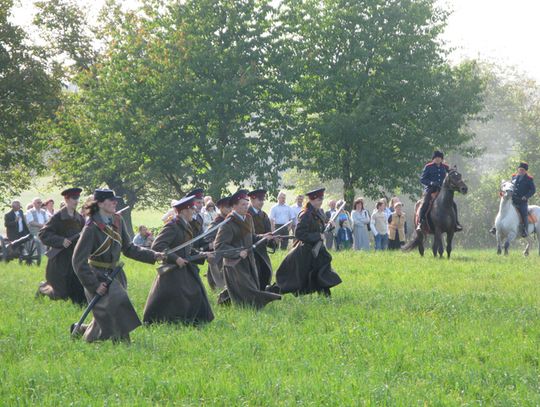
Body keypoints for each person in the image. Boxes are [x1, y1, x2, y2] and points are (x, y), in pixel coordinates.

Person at [72, 189, 164, 343]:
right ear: (100, 203)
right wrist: (94, 285)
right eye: (111, 200)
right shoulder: (91, 228)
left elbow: (129, 248)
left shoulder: (117, 221)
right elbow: (78, 261)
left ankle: (82, 331)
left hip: (115, 274)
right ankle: (122, 342)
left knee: (105, 314)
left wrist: (153, 254)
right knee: (117, 302)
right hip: (97, 275)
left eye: (115, 200)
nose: (115, 202)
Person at [143, 196, 214, 325]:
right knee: (176, 298)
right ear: (183, 211)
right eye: (191, 209)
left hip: (185, 268)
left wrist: (203, 254)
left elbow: (189, 249)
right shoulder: (172, 226)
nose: (194, 211)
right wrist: (175, 258)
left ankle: (194, 321)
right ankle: (171, 322)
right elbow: (158, 246)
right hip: (172, 270)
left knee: (197, 292)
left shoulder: (186, 226)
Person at [214, 190, 282, 308]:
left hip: (249, 260)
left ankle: (228, 303)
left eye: (246, 204)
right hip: (234, 263)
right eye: (242, 204)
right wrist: (238, 252)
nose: (246, 207)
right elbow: (219, 246)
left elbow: (252, 237)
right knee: (247, 290)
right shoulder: (227, 223)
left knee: (247, 288)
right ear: (234, 206)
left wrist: (264, 237)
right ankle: (264, 300)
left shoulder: (248, 218)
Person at [270, 188, 342, 297]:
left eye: (321, 199)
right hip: (306, 252)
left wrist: (330, 226)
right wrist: (317, 236)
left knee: (321, 272)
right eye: (318, 200)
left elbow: (322, 228)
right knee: (295, 281)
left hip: (318, 250)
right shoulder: (305, 215)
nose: (321, 202)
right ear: (312, 200)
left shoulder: (320, 212)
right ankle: (271, 292)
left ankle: (325, 297)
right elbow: (299, 234)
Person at [37, 188, 86, 305]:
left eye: (78, 198)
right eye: (74, 198)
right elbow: (43, 234)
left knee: (80, 296)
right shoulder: (57, 217)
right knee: (60, 293)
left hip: (74, 258)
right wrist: (61, 241)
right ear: (67, 199)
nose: (76, 201)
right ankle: (42, 290)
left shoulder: (80, 218)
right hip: (60, 259)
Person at [417, 150, 462, 232]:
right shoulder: (428, 167)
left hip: (443, 190)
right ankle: (420, 222)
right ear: (433, 159)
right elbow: (422, 179)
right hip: (431, 190)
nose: (438, 159)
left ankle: (456, 223)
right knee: (425, 203)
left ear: (441, 159)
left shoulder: (445, 167)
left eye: (439, 158)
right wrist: (431, 183)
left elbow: (451, 175)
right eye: (436, 158)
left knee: (454, 204)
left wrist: (454, 171)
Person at [248, 189, 275, 290]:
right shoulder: (246, 214)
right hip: (250, 250)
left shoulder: (264, 215)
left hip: (262, 250)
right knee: (255, 274)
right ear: (252, 200)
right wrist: (264, 236)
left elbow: (268, 231)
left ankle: (263, 293)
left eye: (263, 200)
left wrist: (273, 240)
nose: (262, 202)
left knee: (266, 272)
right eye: (260, 200)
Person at [204, 196, 232, 290]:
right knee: (216, 281)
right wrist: (216, 242)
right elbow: (206, 238)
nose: (230, 209)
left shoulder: (230, 219)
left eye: (231, 206)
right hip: (218, 255)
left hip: (228, 253)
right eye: (228, 207)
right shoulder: (217, 222)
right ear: (221, 208)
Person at [511, 162, 536, 237]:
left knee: (524, 213)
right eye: (520, 169)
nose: (520, 171)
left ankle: (525, 230)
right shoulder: (514, 177)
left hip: (522, 202)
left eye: (522, 170)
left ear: (525, 171)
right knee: (503, 208)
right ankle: (495, 227)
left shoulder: (529, 179)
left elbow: (533, 190)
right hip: (513, 200)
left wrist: (526, 196)